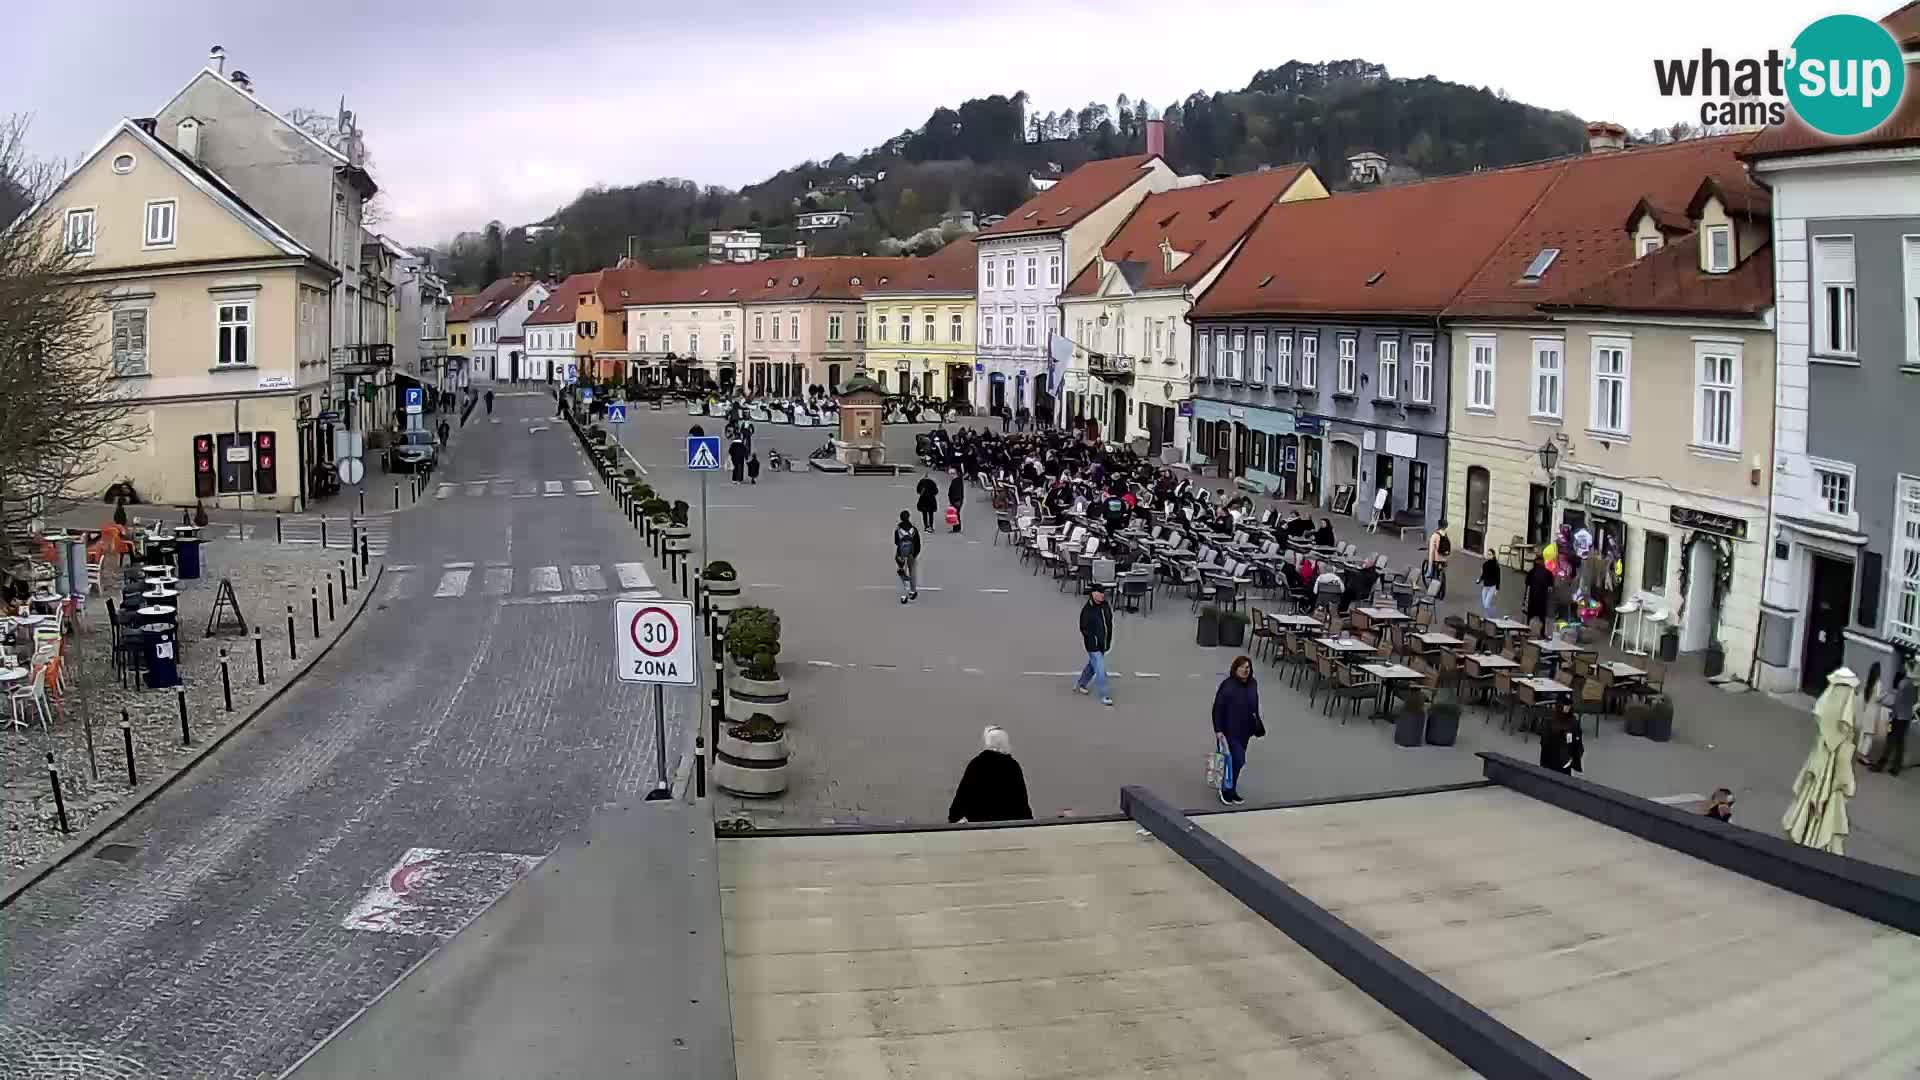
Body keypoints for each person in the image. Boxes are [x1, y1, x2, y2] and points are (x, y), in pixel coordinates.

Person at [947, 726, 1034, 823]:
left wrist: (956, 817)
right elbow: (1021, 803)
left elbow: (962, 799)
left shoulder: (976, 764)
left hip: (980, 828)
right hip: (1009, 828)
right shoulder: (1012, 766)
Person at [1212, 655, 1265, 805]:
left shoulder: (1252, 684)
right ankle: (1225, 788)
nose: (1245, 670)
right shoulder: (1228, 686)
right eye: (1242, 667)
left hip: (1245, 730)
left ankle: (1232, 788)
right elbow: (1218, 708)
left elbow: (1254, 703)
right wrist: (1218, 729)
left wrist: (1256, 721)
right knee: (1238, 760)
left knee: (1235, 761)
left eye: (1247, 667)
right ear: (1235, 669)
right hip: (1230, 731)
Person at [1870, 651, 1915, 775]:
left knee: (1890, 740)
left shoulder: (1903, 684)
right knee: (1900, 743)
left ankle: (1881, 765)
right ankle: (1896, 768)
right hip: (1906, 718)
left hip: (1897, 717)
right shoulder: (1914, 685)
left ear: (1907, 668)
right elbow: (1914, 701)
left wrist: (1884, 702)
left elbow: (1897, 702)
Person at [1075, 586, 1114, 706]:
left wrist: (1106, 640)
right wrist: (1093, 640)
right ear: (1093, 594)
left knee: (1092, 666)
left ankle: (1081, 684)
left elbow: (1109, 622)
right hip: (1093, 646)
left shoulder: (1105, 606)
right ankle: (1104, 695)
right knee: (1100, 669)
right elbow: (1083, 628)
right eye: (1100, 592)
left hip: (1103, 644)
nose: (1102, 595)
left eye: (1103, 593)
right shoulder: (1087, 610)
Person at [1538, 708, 1584, 775]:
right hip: (1551, 763)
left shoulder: (1573, 725)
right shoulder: (1549, 723)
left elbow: (1578, 748)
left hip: (1562, 764)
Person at [893, 510, 921, 605]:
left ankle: (903, 578)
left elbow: (896, 542)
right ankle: (912, 591)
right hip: (911, 553)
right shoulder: (914, 529)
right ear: (908, 517)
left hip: (901, 553)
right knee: (912, 570)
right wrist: (915, 554)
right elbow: (918, 543)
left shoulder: (898, 530)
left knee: (901, 567)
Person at [1524, 557, 1555, 636]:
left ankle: (1528, 632)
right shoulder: (1548, 573)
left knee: (1530, 617)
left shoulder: (1531, 572)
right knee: (1542, 618)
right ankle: (1542, 634)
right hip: (1542, 600)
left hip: (1532, 599)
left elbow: (1527, 588)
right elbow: (1550, 589)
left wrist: (1525, 602)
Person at [1426, 521, 1452, 601]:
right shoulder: (1446, 534)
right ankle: (1442, 590)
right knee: (1442, 573)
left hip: (1436, 559)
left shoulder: (1435, 535)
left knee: (1435, 575)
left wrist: (1430, 561)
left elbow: (1431, 550)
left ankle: (1436, 592)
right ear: (1446, 526)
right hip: (1444, 559)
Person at [1477, 552, 1501, 619]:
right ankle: (1489, 616)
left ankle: (1488, 618)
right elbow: (1483, 575)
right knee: (1485, 605)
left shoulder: (1496, 566)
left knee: (1487, 604)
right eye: (1488, 554)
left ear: (1493, 555)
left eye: (1490, 554)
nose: (1488, 555)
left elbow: (1498, 578)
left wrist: (1497, 589)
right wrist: (1479, 580)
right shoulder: (1485, 565)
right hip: (1485, 586)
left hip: (1492, 587)